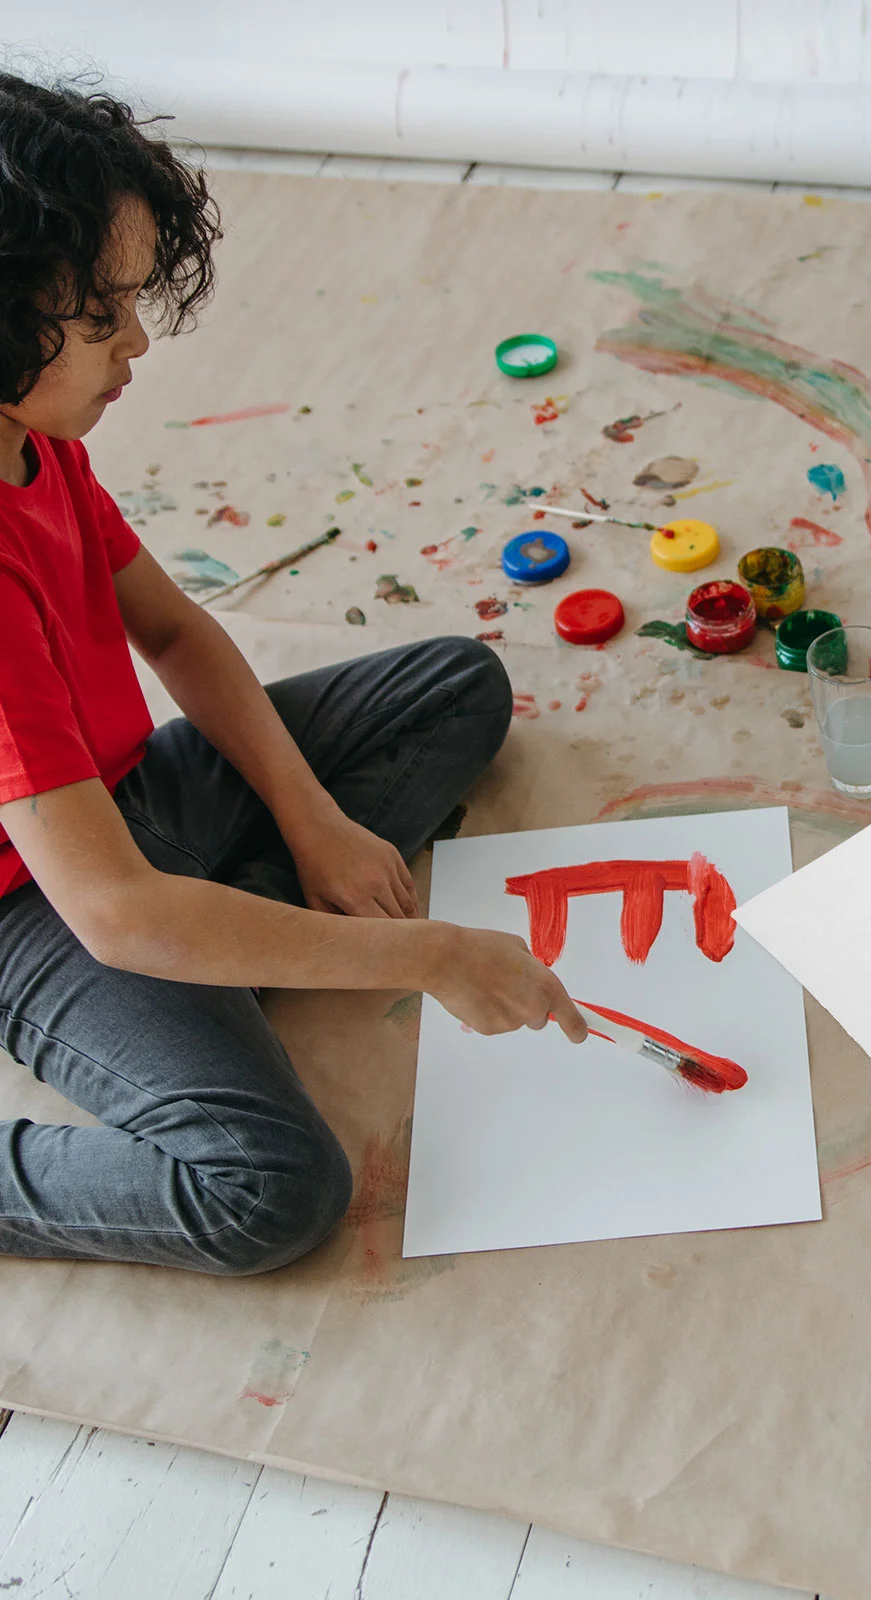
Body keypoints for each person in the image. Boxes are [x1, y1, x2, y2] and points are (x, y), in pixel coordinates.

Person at [0, 75, 585, 1276]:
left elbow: (178, 635)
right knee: (271, 1190)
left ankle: (224, 939)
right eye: (104, 314)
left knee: (453, 686)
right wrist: (429, 953)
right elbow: (110, 910)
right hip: (38, 903)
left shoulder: (34, 442)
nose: (139, 343)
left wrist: (312, 822)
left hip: (128, 799)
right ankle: (208, 951)